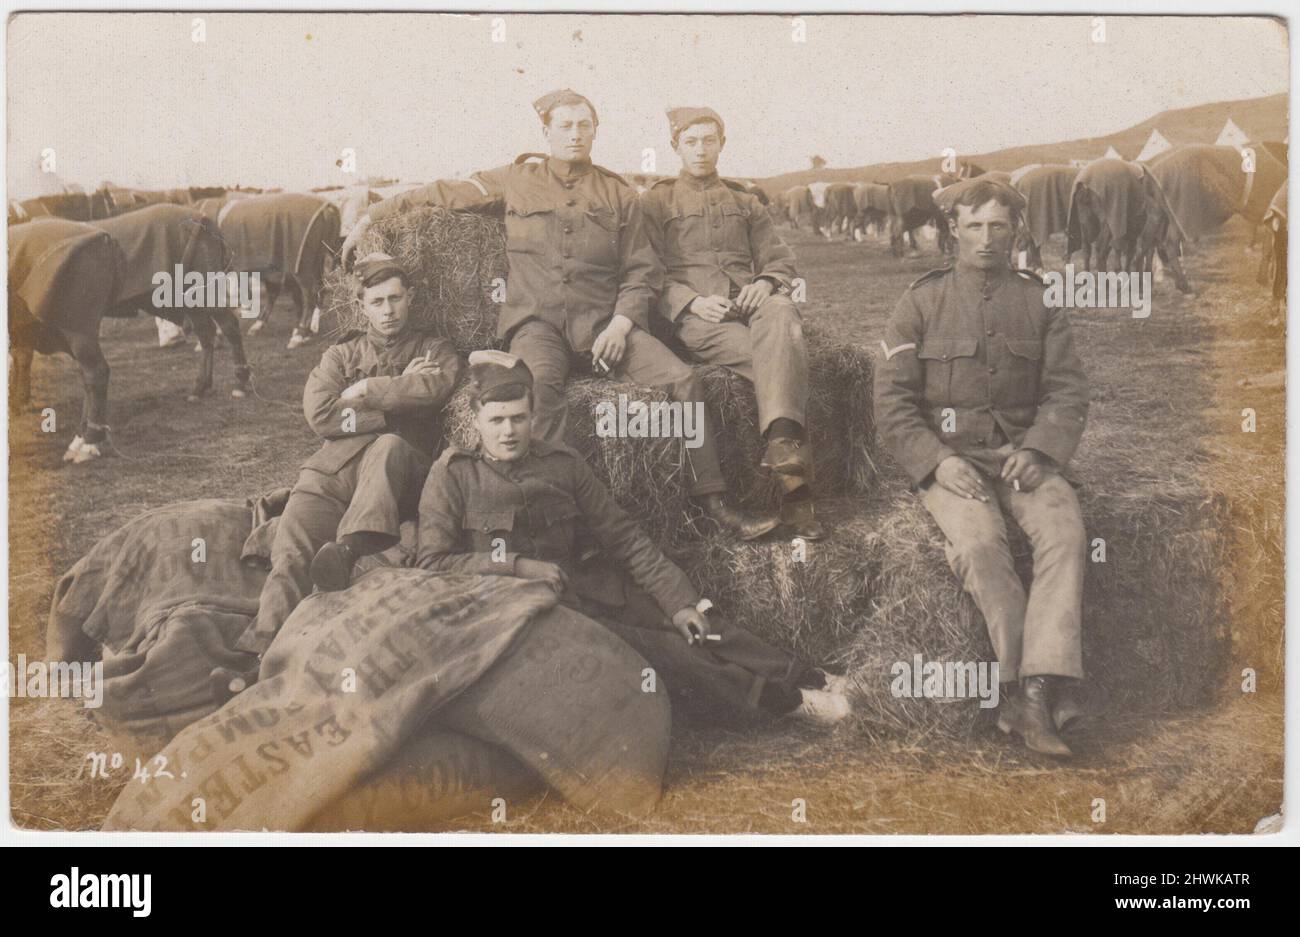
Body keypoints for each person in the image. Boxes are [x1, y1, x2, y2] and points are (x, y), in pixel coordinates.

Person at [341, 89, 777, 541]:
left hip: (605, 323)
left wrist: (622, 324)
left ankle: (714, 501)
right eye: (565, 126)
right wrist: (372, 216)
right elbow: (439, 193)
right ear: (546, 132)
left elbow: (643, 270)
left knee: (684, 381)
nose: (575, 135)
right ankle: (556, 522)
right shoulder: (515, 179)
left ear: (595, 132)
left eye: (583, 126)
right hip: (538, 324)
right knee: (537, 390)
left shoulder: (618, 193)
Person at [414, 350, 851, 725]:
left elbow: (624, 537)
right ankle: (790, 704)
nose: (509, 431)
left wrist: (678, 602)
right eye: (497, 421)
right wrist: (515, 566)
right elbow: (431, 562)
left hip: (586, 587)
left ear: (533, 415)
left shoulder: (562, 464)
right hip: (527, 612)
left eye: (519, 418)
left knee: (699, 625)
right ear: (475, 420)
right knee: (669, 654)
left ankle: (808, 676)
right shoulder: (452, 474)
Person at [872, 177, 1091, 756]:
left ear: (1015, 231)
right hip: (954, 462)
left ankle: (1031, 696)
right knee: (977, 546)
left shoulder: (1039, 299)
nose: (987, 239)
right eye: (974, 226)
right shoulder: (920, 300)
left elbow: (1067, 391)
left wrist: (1041, 449)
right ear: (953, 232)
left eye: (998, 226)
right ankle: (1039, 695)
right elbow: (891, 402)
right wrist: (937, 462)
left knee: (1066, 532)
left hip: (1023, 456)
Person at [234, 254, 463, 656]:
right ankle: (259, 653)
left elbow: (435, 389)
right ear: (362, 307)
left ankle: (348, 550)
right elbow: (321, 415)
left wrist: (364, 391)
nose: (388, 310)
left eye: (395, 299)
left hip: (399, 472)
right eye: (377, 302)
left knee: (389, 445)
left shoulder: (435, 348)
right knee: (291, 552)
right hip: (332, 472)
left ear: (409, 298)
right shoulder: (341, 355)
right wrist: (395, 398)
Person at [641, 107, 822, 539]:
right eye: (691, 142)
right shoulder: (656, 202)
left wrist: (765, 281)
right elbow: (645, 268)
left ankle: (780, 442)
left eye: (709, 140)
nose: (701, 150)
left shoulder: (745, 201)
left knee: (781, 309)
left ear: (722, 143)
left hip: (747, 302)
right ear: (675, 147)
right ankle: (799, 498)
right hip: (701, 317)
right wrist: (689, 303)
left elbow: (780, 258)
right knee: (783, 365)